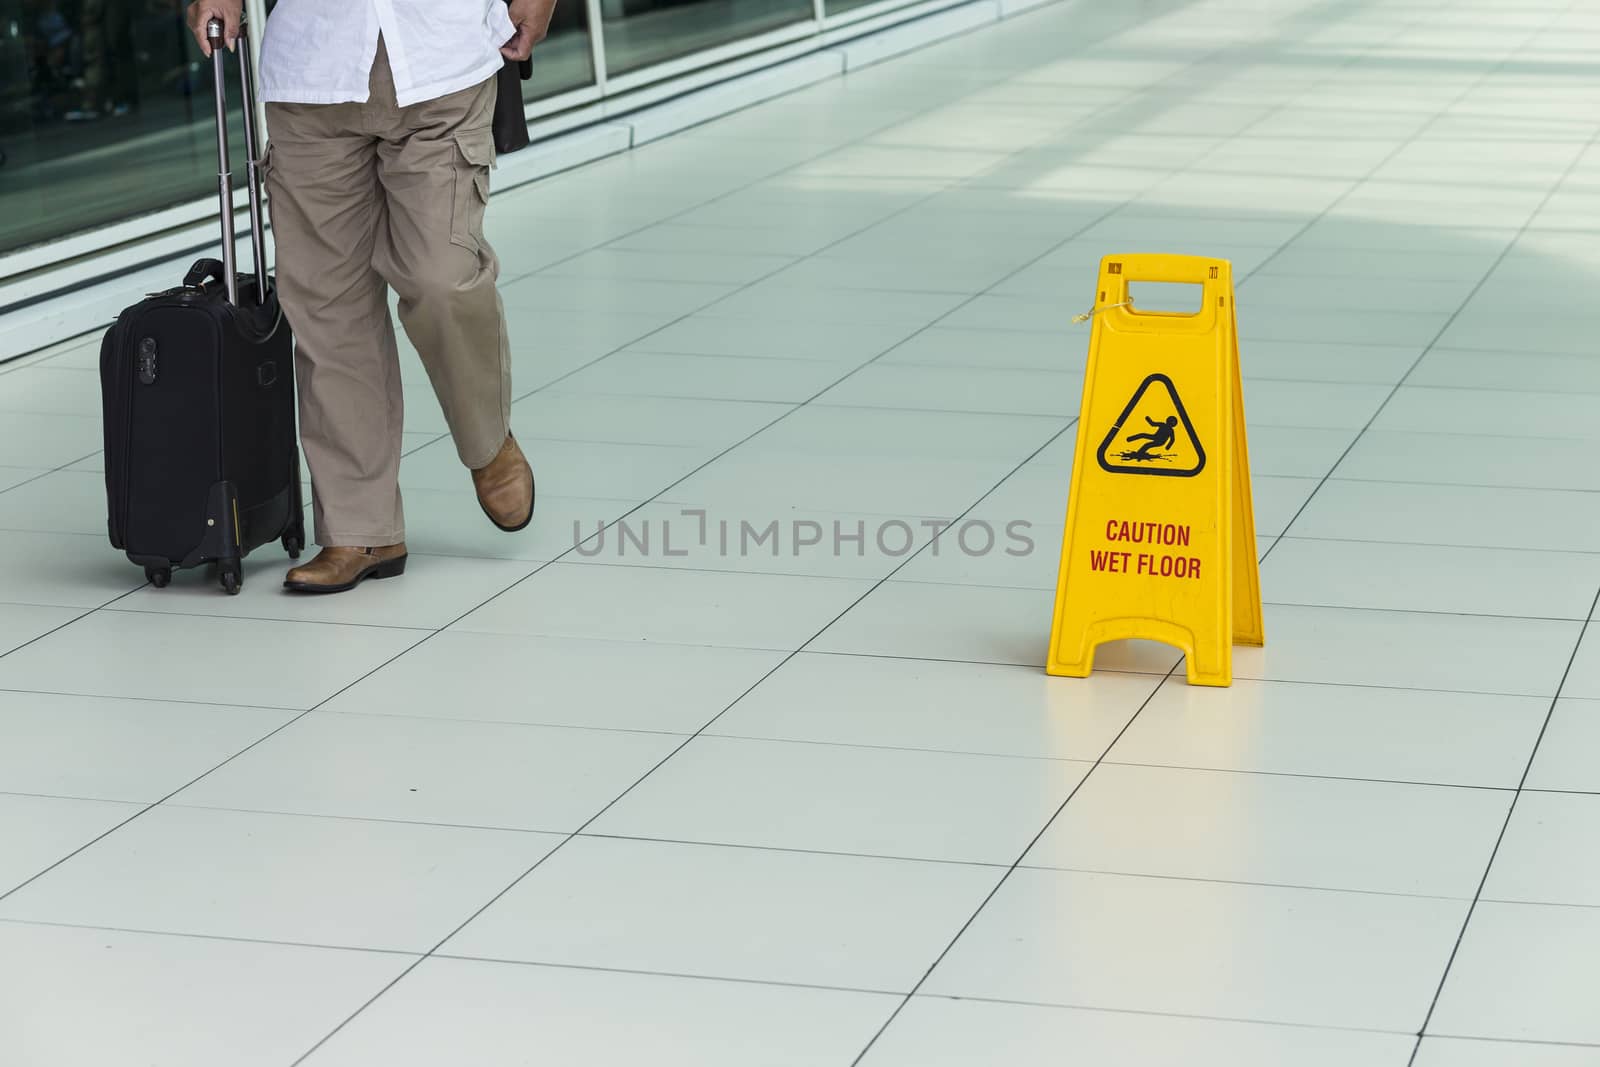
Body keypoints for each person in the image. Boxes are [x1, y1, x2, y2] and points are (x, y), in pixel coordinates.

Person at [185, 0, 556, 594]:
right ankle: (361, 528)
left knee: (440, 278)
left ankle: (487, 440)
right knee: (329, 307)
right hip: (312, 65)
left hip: (441, 57)